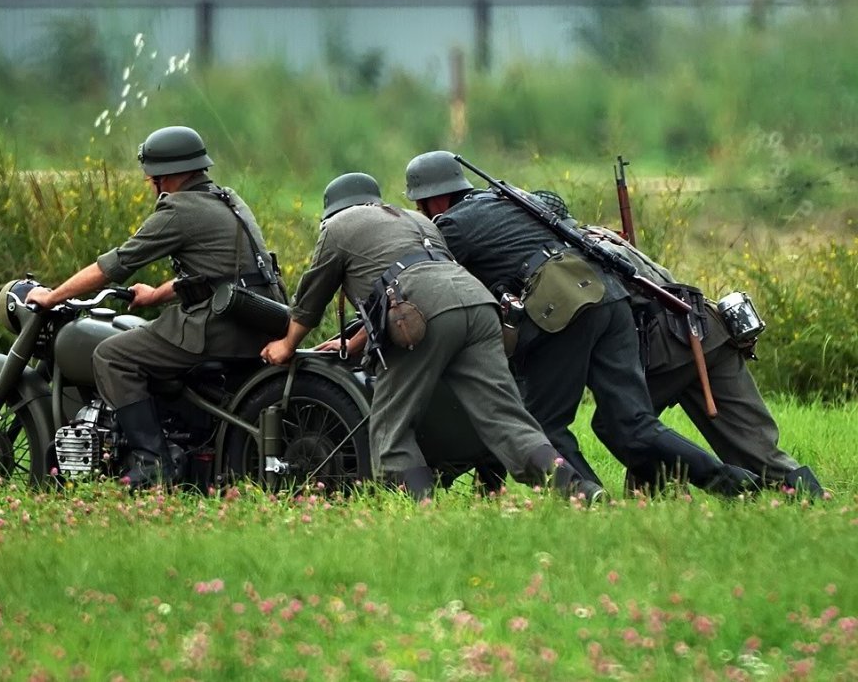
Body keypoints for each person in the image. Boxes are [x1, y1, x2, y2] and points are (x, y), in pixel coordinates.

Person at [403, 150, 760, 498]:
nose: (422, 212)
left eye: (420, 204)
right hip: (610, 295)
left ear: (435, 200)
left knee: (542, 425)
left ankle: (585, 498)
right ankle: (732, 483)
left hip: (564, 307)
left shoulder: (452, 225)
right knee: (633, 425)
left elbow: (445, 286)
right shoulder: (510, 199)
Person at [260, 172, 603, 502]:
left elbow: (312, 299)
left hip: (422, 315)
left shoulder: (338, 226)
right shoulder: (414, 219)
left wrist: (286, 345)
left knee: (391, 425)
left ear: (333, 210)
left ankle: (423, 512)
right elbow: (410, 280)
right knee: (506, 418)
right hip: (478, 305)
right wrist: (355, 343)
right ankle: (579, 490)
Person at [27, 125, 285, 489]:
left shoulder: (179, 209)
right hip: (259, 317)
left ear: (165, 176)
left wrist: (53, 296)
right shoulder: (227, 199)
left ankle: (153, 462)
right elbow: (215, 276)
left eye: (151, 179)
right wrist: (155, 295)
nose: (151, 186)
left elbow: (114, 265)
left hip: (221, 326)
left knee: (112, 356)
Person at [527, 191, 826, 498]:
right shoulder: (601, 235)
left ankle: (668, 493)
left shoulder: (571, 255)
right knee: (759, 450)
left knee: (618, 423)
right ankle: (813, 499)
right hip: (709, 331)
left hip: (669, 346)